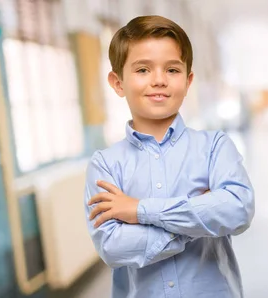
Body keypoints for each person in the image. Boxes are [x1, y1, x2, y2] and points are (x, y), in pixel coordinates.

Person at [83, 15, 255, 298]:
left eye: (172, 70)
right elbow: (113, 246)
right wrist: (198, 218)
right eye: (142, 70)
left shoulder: (214, 147)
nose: (159, 80)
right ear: (118, 83)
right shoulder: (106, 165)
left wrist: (140, 211)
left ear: (188, 82)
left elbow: (237, 210)